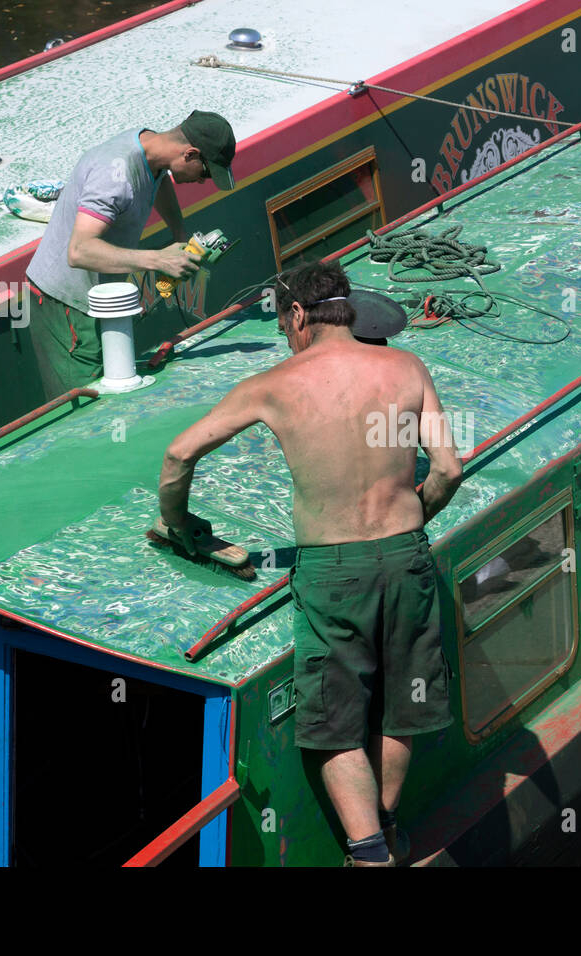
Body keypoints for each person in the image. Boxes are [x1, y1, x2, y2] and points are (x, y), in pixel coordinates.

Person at [155, 261, 463, 866]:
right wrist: (413, 515)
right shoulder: (405, 367)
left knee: (335, 720)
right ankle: (390, 827)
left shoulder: (273, 384)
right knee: (404, 700)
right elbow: (448, 468)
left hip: (331, 570)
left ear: (297, 314)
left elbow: (177, 454)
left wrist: (179, 522)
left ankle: (368, 853)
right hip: (405, 556)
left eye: (282, 324)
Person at [24, 111, 236, 398]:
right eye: (206, 173)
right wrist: (158, 260)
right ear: (190, 154)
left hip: (97, 298)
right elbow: (78, 251)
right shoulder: (116, 173)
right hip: (64, 304)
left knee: (112, 385)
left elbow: (158, 182)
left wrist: (179, 236)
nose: (202, 182)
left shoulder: (152, 151)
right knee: (86, 405)